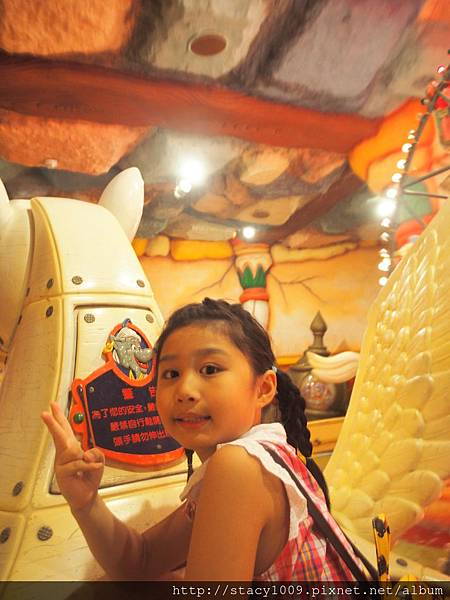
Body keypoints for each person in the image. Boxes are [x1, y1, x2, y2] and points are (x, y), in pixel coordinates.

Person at [42, 298, 362, 581]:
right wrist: (85, 502)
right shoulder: (254, 459)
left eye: (209, 369)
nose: (184, 390)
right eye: (170, 374)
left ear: (263, 388)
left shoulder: (239, 466)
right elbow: (140, 560)